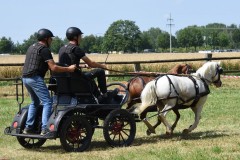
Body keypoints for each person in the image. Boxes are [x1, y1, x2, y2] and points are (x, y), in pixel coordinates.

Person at [22, 28, 76, 135]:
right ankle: (45, 128)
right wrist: (69, 69)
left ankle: (28, 127)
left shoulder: (31, 47)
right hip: (35, 78)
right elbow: (53, 67)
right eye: (51, 39)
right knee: (47, 102)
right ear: (46, 39)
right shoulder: (44, 49)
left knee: (35, 102)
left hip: (25, 78)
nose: (51, 41)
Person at [58, 27, 118, 103]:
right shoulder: (76, 49)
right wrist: (102, 66)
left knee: (90, 77)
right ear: (75, 37)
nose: (81, 38)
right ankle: (105, 95)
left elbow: (66, 65)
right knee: (100, 71)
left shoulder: (61, 49)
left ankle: (98, 96)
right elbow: (91, 63)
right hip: (76, 79)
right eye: (80, 36)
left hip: (65, 79)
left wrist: (84, 66)